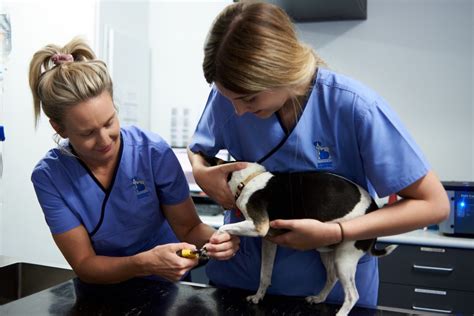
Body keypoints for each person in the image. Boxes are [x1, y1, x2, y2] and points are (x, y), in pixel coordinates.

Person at [187, 1, 449, 308]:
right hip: (240, 282)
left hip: (330, 294)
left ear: (281, 71)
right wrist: (204, 176)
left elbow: (433, 205)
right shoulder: (228, 97)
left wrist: (336, 231)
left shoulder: (355, 107)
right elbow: (198, 152)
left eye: (249, 99)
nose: (237, 111)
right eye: (229, 98)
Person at [29, 37, 239, 285]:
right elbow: (84, 264)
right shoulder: (50, 176)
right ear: (59, 128)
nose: (104, 139)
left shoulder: (152, 153)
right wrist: (142, 263)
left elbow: (190, 229)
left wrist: (219, 240)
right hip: (100, 291)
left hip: (171, 289)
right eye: (87, 133)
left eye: (109, 122)